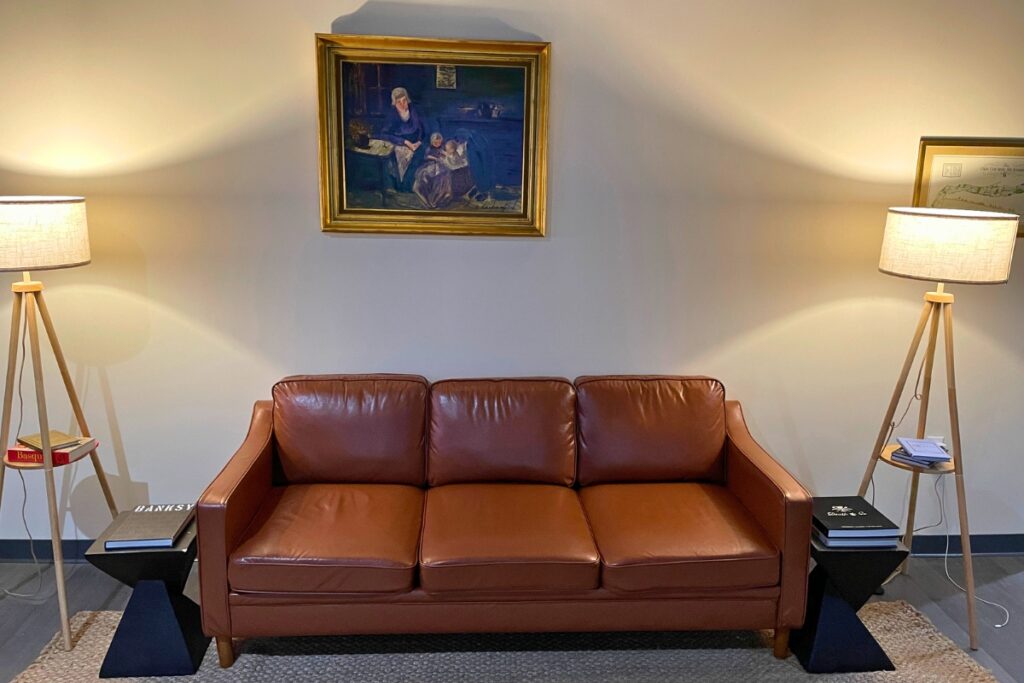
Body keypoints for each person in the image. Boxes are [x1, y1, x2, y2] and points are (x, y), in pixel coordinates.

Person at [380, 87, 426, 191]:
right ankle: (400, 187)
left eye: (404, 100)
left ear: (407, 99)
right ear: (394, 103)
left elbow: (422, 129)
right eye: (398, 102)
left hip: (416, 144)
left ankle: (407, 187)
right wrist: (404, 142)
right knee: (395, 159)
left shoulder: (414, 110)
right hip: (399, 144)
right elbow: (384, 134)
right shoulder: (392, 114)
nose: (402, 104)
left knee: (419, 155)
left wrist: (419, 141)